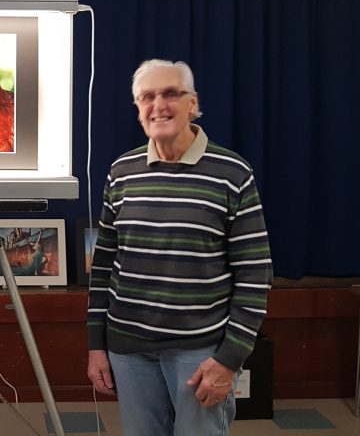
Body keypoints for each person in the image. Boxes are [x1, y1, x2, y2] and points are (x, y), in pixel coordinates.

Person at [86, 59, 273, 436]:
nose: (159, 106)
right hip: (128, 348)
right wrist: (96, 345)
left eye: (171, 93)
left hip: (200, 352)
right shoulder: (121, 172)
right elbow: (103, 266)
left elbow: (255, 275)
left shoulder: (233, 173)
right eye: (147, 97)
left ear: (193, 103)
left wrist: (229, 359)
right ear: (138, 108)